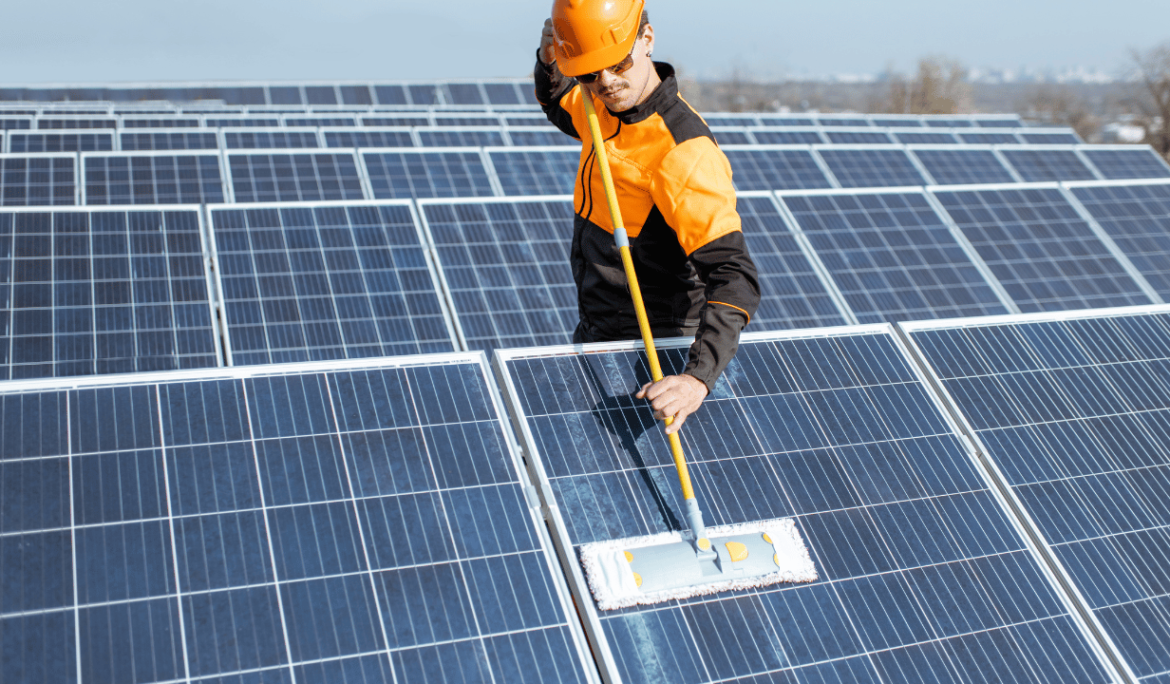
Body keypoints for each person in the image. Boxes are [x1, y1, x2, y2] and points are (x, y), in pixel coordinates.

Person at [535, 0, 760, 434]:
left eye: (617, 65)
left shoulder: (685, 152)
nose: (606, 83)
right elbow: (559, 104)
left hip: (658, 356)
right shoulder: (597, 106)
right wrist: (551, 64)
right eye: (589, 72)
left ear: (648, 39)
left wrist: (695, 380)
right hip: (599, 336)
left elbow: (735, 276)